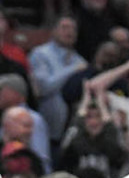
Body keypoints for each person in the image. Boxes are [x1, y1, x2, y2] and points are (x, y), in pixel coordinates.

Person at [28, 15, 87, 143]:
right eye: (65, 27)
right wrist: (72, 70)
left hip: (71, 131)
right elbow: (44, 88)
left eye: (73, 29)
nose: (70, 32)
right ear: (54, 31)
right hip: (46, 129)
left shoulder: (80, 60)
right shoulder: (40, 54)